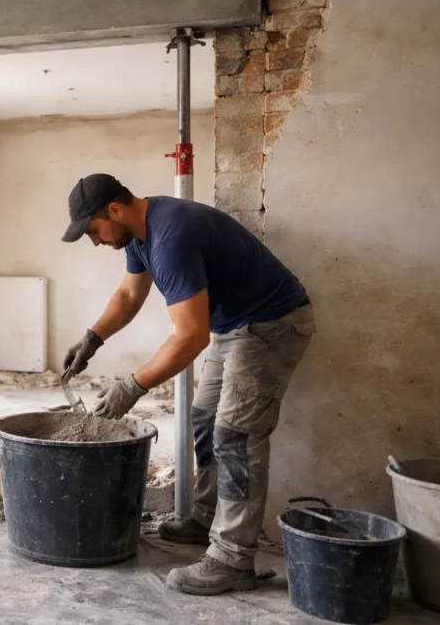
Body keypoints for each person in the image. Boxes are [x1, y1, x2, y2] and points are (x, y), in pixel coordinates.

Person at [61, 173, 315, 595]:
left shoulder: (171, 236)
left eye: (94, 231)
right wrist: (93, 338)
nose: (95, 241)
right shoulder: (140, 234)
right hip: (235, 326)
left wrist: (132, 386)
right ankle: (206, 518)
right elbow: (128, 295)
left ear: (115, 210)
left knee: (236, 436)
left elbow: (190, 336)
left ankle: (233, 559)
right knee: (206, 419)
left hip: (273, 324)